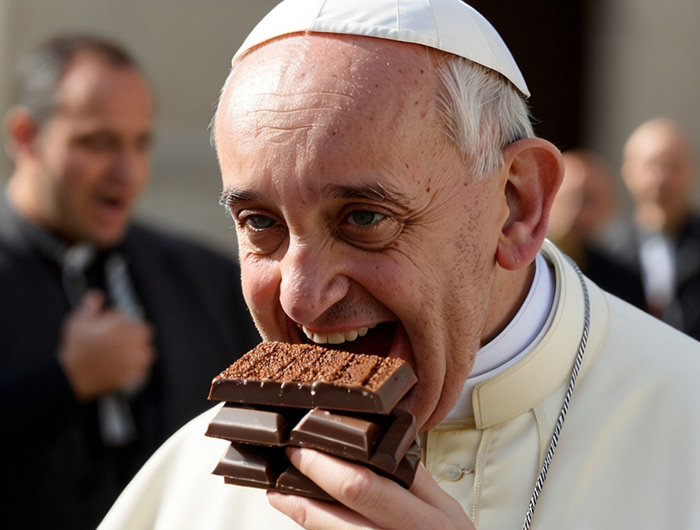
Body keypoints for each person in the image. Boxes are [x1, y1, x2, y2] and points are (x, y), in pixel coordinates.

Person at [98, 1, 700, 529]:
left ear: (516, 205)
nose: (301, 300)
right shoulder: (192, 484)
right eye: (260, 223)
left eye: (363, 218)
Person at [0, 34, 259, 530]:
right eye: (98, 143)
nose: (127, 170)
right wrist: (62, 381)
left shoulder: (207, 279)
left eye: (140, 143)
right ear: (26, 137)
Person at [603, 117, 700, 340]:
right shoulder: (609, 250)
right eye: (653, 164)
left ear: (691, 171)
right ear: (628, 172)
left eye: (674, 166)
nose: (663, 178)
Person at [547, 148, 645, 307]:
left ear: (609, 207)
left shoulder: (624, 284)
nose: (575, 211)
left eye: (589, 201)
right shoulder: (518, 263)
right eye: (567, 199)